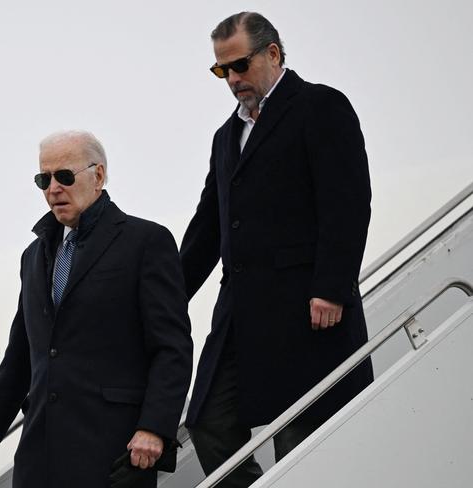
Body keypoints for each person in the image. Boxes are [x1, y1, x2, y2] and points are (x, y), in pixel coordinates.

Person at [180, 12, 374, 486]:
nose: (232, 79)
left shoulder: (320, 106)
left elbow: (347, 201)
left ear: (273, 53)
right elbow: (208, 228)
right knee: (208, 422)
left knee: (299, 438)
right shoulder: (226, 137)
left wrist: (331, 287)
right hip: (240, 312)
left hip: (307, 308)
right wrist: (165, 294)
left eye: (240, 65)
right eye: (221, 70)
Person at [0, 131, 193, 488]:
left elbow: (173, 347)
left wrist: (154, 427)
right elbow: (19, 360)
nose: (53, 189)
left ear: (99, 176)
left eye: (65, 176)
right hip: (40, 455)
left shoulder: (145, 242)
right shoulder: (34, 257)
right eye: (44, 179)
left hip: (114, 451)